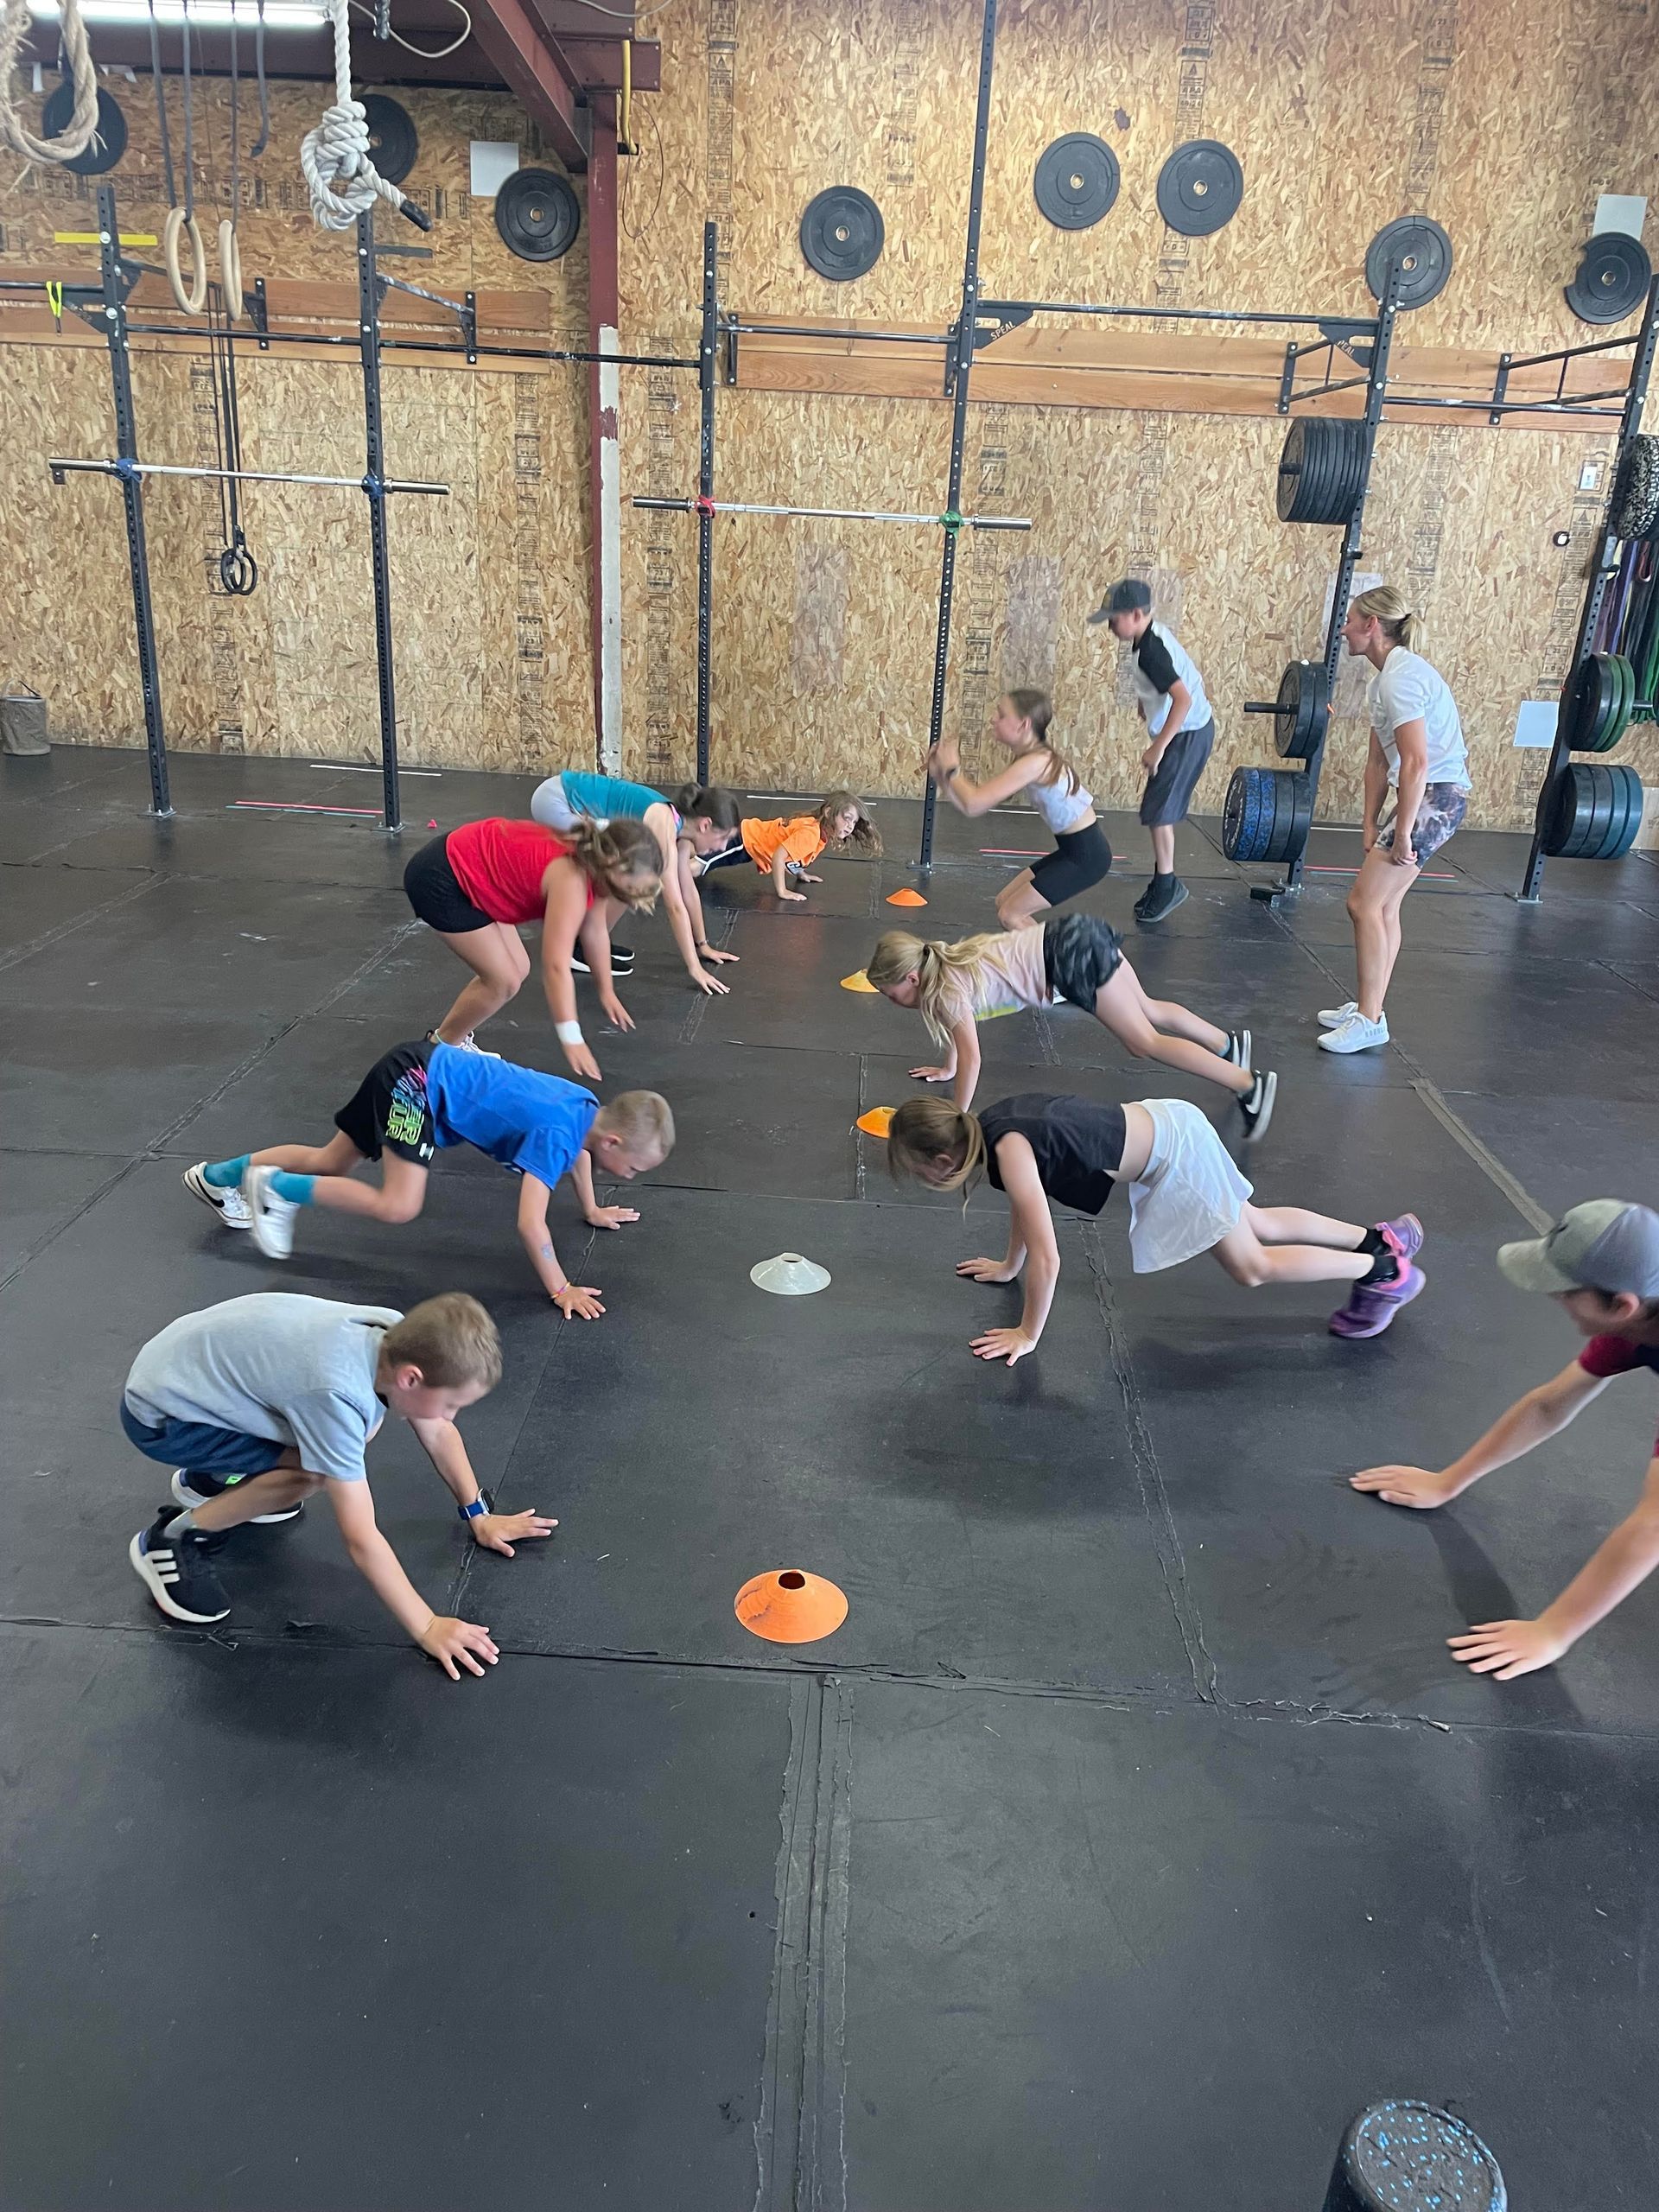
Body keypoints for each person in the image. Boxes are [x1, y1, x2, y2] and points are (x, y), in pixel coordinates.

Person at [123, 1289, 551, 1675]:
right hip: (163, 1416)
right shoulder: (336, 1396)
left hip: (189, 1367)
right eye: (452, 1403)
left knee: (335, 1444)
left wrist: (479, 1514)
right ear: (412, 1379)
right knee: (311, 1472)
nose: (451, 1414)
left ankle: (215, 1478)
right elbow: (361, 1538)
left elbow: (437, 1430)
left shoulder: (395, 1334)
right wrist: (428, 1625)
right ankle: (174, 1538)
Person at [1351, 1201, 1659, 1681]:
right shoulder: (1638, 1317)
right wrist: (1448, 1481)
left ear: (1621, 1306)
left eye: (1563, 1291)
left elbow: (1653, 1525)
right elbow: (1548, 1405)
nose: (1553, 1299)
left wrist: (1553, 1631)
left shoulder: (1638, 1313)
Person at [885, 1092, 1422, 1363]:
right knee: (1253, 1220)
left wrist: (1028, 1334)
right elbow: (1030, 1208)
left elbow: (1050, 1258)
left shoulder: (1009, 1149)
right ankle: (1377, 1239)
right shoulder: (991, 1126)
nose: (922, 1177)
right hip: (1171, 1120)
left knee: (1251, 1266)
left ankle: (1383, 1271)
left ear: (940, 1157)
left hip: (1174, 1156)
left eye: (917, 1168)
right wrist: (1009, 1266)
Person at [183, 1041, 673, 1319]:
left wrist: (590, 1209)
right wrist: (560, 1287)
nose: (630, 1176)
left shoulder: (587, 1110)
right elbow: (530, 1224)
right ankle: (274, 1188)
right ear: (613, 1143)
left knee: (331, 1162)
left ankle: (216, 1177)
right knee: (399, 1205)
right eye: (634, 1167)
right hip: (415, 1086)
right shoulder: (558, 1135)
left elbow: (581, 1157)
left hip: (413, 1067)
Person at [865, 913, 1276, 1142]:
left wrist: (957, 1118)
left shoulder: (945, 991)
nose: (891, 1001)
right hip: (1072, 934)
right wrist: (948, 1067)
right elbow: (960, 1036)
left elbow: (973, 1056)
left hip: (1067, 957)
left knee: (1143, 1042)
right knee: (1147, 1009)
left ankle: (1246, 1084)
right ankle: (1225, 1045)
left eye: (890, 993)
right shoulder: (942, 965)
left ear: (912, 979)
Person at [1317, 584, 1471, 1055]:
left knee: (1363, 904)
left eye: (1350, 621)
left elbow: (1418, 763)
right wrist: (1369, 823)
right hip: (1429, 796)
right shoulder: (1384, 678)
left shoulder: (1400, 678)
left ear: (1372, 625)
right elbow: (1378, 763)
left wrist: (1402, 832)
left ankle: (1369, 1019)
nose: (1343, 630)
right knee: (1383, 907)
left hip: (1436, 797)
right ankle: (1370, 1005)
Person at [402, 814, 659, 1080]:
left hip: (469, 867)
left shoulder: (596, 868)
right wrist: (571, 1038)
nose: (627, 900)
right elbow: (556, 966)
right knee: (503, 982)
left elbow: (595, 932)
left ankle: (449, 1043)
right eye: (628, 890)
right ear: (611, 864)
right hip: (441, 879)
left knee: (519, 968)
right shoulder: (571, 880)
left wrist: (606, 991)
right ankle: (435, 1054)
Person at [530, 770, 742, 995]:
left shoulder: (680, 830)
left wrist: (703, 946)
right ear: (705, 825)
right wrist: (695, 969)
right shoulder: (663, 824)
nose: (721, 848)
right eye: (724, 838)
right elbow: (674, 905)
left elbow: (687, 890)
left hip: (564, 796)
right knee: (628, 875)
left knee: (634, 875)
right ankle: (580, 947)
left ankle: (589, 940)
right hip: (556, 801)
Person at [1086, 577, 1215, 925]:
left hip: (1188, 734)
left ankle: (1167, 884)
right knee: (1157, 810)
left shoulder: (1152, 649)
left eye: (1114, 618)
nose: (1110, 625)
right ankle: (1163, 880)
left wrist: (1158, 747)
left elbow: (1183, 699)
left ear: (1136, 614)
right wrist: (1148, 706)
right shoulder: (1146, 640)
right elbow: (1170, 686)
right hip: (1185, 731)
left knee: (1158, 813)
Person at [925, 690, 1112, 929]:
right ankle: (1043, 958)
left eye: (1001, 715)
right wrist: (942, 776)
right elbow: (968, 806)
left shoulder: (1036, 762)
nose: (993, 719)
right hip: (1072, 852)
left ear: (1023, 724)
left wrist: (952, 768)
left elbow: (973, 803)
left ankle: (1055, 963)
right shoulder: (1031, 758)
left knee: (1011, 915)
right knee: (1004, 902)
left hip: (1087, 857)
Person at [696, 790, 882, 904]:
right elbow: (779, 857)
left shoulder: (817, 831)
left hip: (748, 844)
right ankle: (669, 874)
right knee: (698, 867)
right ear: (828, 813)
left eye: (854, 822)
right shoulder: (811, 834)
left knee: (701, 856)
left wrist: (801, 874)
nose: (850, 826)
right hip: (744, 841)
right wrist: (782, 891)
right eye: (847, 819)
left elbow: (793, 856)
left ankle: (679, 849)